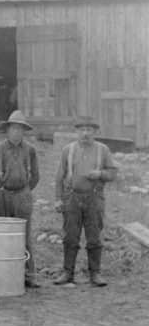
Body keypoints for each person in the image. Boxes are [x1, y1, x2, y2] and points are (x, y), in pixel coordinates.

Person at [53, 116, 117, 287]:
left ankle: (95, 273)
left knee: (94, 236)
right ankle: (68, 272)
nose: (85, 133)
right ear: (77, 132)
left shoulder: (103, 150)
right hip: (72, 197)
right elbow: (59, 177)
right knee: (70, 236)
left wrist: (100, 174)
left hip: (94, 197)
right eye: (82, 130)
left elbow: (112, 173)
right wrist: (58, 199)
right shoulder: (68, 150)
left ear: (95, 132)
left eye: (89, 130)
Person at [0, 110, 40, 288]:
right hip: (2, 196)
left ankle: (28, 275)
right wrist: (0, 192)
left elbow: (36, 177)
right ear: (8, 130)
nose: (16, 132)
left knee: (24, 236)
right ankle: (2, 274)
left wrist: (23, 191)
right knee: (1, 236)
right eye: (13, 129)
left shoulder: (30, 150)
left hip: (23, 196)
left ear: (24, 132)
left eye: (20, 129)